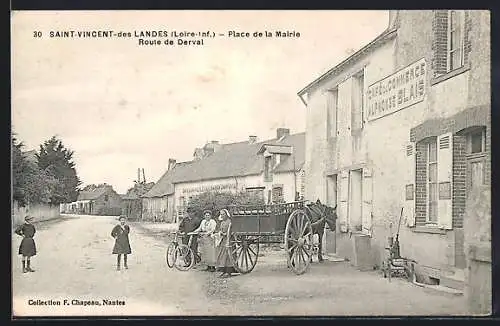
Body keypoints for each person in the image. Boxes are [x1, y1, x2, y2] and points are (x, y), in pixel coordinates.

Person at [215, 209, 235, 278]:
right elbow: (220, 230)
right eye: (221, 214)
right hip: (223, 240)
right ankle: (223, 271)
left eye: (223, 214)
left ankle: (229, 271)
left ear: (226, 214)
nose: (222, 215)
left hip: (229, 240)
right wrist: (220, 233)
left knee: (228, 255)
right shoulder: (222, 222)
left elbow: (232, 231)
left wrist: (226, 233)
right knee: (222, 255)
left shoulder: (230, 222)